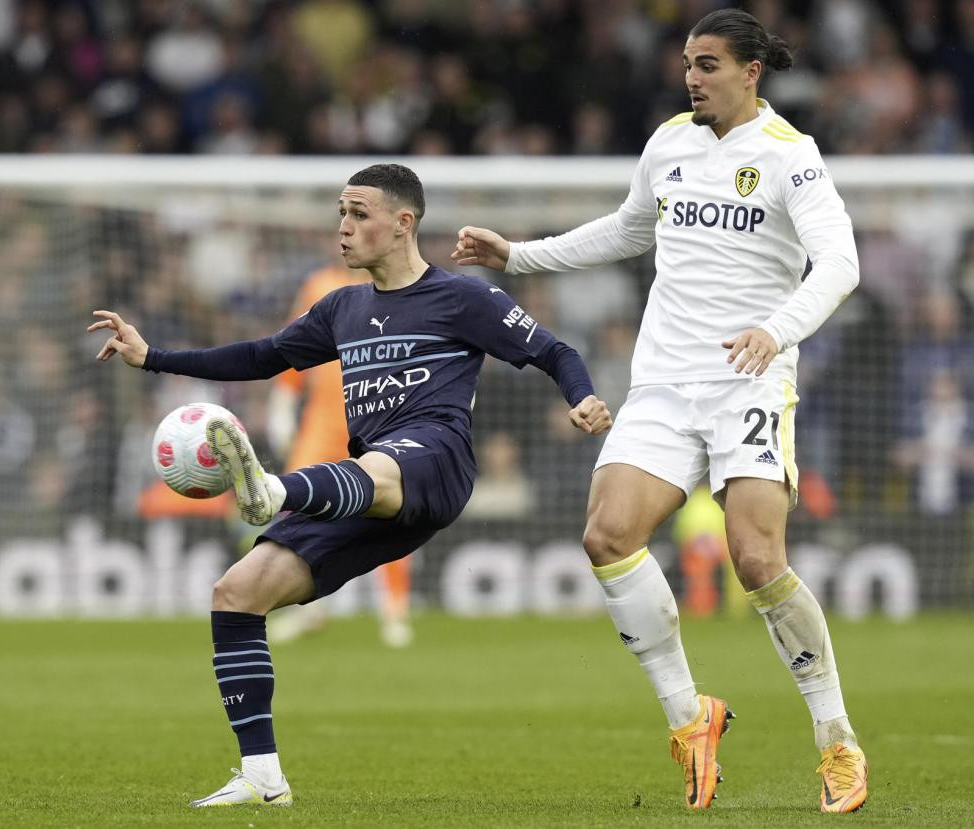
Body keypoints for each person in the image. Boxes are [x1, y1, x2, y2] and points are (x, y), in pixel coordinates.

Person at [89, 163, 611, 808]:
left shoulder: (462, 297)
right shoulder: (342, 307)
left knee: (378, 468)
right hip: (364, 487)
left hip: (434, 459)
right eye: (341, 212)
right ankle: (262, 777)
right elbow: (263, 357)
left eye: (358, 213)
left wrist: (583, 398)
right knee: (235, 594)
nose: (343, 226)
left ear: (403, 223)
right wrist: (155, 357)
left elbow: (556, 352)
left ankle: (271, 491)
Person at [452, 9, 867, 814]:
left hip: (750, 379)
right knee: (607, 534)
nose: (691, 77)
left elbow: (840, 264)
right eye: (687, 63)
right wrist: (521, 255)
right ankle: (690, 718)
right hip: (666, 382)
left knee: (754, 557)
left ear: (752, 71)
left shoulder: (793, 159)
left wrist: (775, 331)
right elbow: (628, 229)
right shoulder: (669, 142)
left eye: (708, 65)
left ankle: (836, 737)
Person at [266, 263, 416, 648]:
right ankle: (308, 609)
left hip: (378, 420)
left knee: (393, 512)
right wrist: (283, 402)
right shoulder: (318, 284)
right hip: (322, 422)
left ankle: (394, 610)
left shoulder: (399, 285)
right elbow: (295, 345)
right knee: (294, 507)